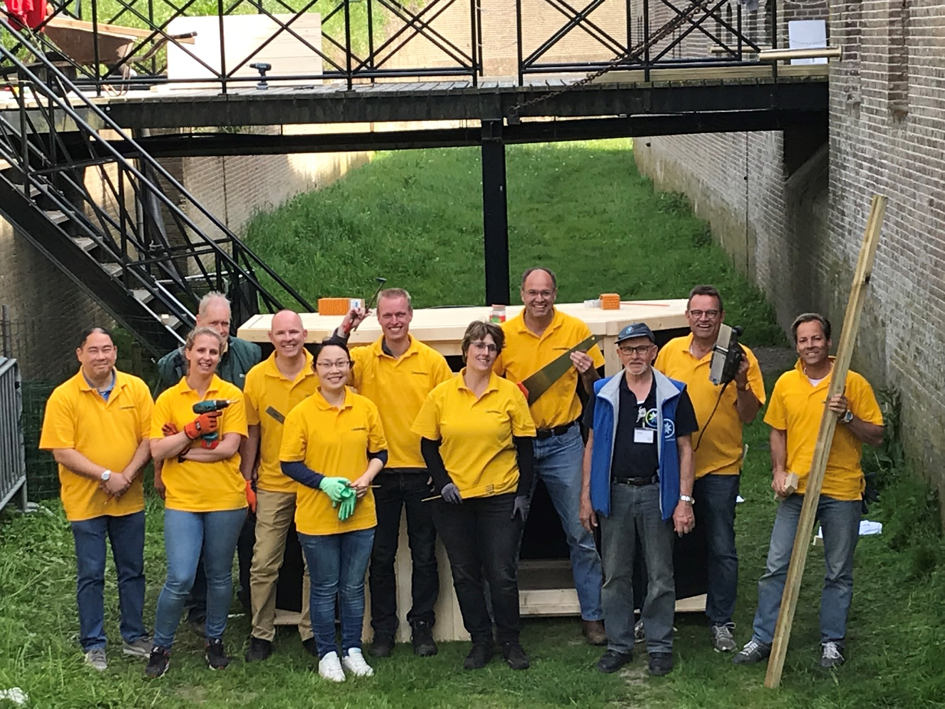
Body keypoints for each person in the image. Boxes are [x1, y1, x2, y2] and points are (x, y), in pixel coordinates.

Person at [733, 313, 884, 669]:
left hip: (841, 490)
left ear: (828, 342)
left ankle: (832, 642)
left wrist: (847, 417)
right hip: (797, 489)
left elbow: (877, 436)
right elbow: (777, 431)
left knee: (838, 570)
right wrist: (779, 470)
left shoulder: (852, 383)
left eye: (816, 339)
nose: (810, 346)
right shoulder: (786, 383)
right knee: (776, 565)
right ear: (796, 345)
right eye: (803, 340)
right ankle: (762, 638)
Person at [413, 321, 537, 671]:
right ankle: (480, 641)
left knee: (502, 572)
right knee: (465, 574)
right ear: (465, 349)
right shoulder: (441, 394)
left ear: (498, 354)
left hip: (500, 496)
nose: (485, 352)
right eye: (479, 346)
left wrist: (522, 494)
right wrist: (443, 482)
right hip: (454, 500)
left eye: (492, 347)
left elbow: (526, 448)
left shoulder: (510, 393)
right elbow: (427, 444)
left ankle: (510, 641)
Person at [493, 266, 607, 645]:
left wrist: (589, 373)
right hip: (516, 445)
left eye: (545, 292)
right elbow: (487, 386)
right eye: (532, 292)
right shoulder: (504, 336)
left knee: (581, 530)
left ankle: (594, 616)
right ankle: (504, 622)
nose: (539, 299)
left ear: (555, 293)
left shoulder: (575, 331)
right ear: (522, 294)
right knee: (507, 533)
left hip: (564, 442)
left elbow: (597, 392)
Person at [337, 289, 453, 658]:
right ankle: (383, 630)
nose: (394, 322)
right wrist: (345, 329)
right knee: (381, 555)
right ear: (378, 319)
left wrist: (443, 469)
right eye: (387, 316)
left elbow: (449, 418)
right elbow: (326, 366)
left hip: (422, 473)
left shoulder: (433, 362)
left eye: (400, 314)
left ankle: (422, 627)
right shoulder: (363, 360)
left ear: (411, 315)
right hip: (379, 473)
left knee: (424, 554)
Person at [580, 322, 698, 677]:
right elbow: (590, 445)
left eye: (642, 349)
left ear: (653, 352)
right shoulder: (603, 393)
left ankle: (660, 646)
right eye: (628, 349)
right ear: (618, 353)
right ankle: (619, 645)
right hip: (615, 492)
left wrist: (684, 500)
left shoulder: (673, 393)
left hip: (655, 491)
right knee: (615, 574)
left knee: (660, 573)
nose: (635, 356)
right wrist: (586, 495)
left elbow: (685, 449)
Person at [654, 285, 765, 652]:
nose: (704, 319)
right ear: (688, 317)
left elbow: (749, 415)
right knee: (662, 542)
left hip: (720, 465)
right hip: (674, 464)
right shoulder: (670, 352)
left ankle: (720, 621)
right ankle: (656, 615)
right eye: (697, 313)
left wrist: (742, 381)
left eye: (711, 313)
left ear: (721, 317)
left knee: (721, 545)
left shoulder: (740, 356)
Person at [39, 327, 153, 671]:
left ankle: (134, 637)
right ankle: (94, 644)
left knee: (132, 570)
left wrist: (126, 476)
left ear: (115, 352)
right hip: (85, 502)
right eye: (93, 350)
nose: (101, 356)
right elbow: (62, 451)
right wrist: (106, 476)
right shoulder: (64, 396)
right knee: (91, 573)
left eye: (106, 349)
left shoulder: (136, 388)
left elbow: (148, 439)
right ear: (79, 354)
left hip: (128, 497)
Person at [279, 338, 388, 683]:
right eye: (326, 364)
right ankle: (327, 652)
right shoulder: (301, 414)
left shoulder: (365, 408)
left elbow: (380, 452)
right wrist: (323, 482)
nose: (334, 370)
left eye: (341, 363)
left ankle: (352, 649)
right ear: (315, 370)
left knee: (354, 586)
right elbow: (289, 463)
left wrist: (367, 477)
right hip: (317, 516)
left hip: (360, 512)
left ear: (349, 368)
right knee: (325, 587)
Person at [145, 327, 251, 678]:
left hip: (226, 498)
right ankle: (161, 646)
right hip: (183, 500)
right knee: (180, 576)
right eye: (200, 350)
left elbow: (228, 448)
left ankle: (215, 640)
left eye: (214, 351)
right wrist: (190, 432)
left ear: (221, 356)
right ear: (187, 353)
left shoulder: (232, 395)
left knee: (220, 575)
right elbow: (157, 450)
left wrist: (183, 451)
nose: (207, 357)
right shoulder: (169, 398)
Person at [155, 292, 261, 634]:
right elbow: (159, 442)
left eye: (225, 325)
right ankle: (183, 623)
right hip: (184, 491)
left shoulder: (242, 370)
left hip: (226, 485)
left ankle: (226, 624)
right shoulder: (169, 378)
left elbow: (231, 445)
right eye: (213, 325)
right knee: (184, 568)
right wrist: (185, 438)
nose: (219, 333)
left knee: (227, 560)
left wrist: (181, 450)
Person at [242, 310, 320, 662]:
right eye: (281, 333)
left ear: (304, 334)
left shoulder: (321, 370)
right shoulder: (257, 377)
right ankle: (261, 632)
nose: (288, 339)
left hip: (313, 482)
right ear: (271, 339)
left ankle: (311, 629)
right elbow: (253, 430)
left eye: (294, 332)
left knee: (313, 563)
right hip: (272, 481)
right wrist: (247, 477)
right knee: (262, 563)